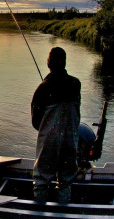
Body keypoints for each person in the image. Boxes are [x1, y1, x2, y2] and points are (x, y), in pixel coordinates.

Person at [31, 47, 81, 203]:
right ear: (64, 63)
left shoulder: (43, 88)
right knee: (66, 180)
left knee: (41, 180)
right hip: (70, 139)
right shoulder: (75, 84)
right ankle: (63, 209)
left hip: (49, 140)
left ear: (49, 63)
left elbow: (35, 122)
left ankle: (39, 212)